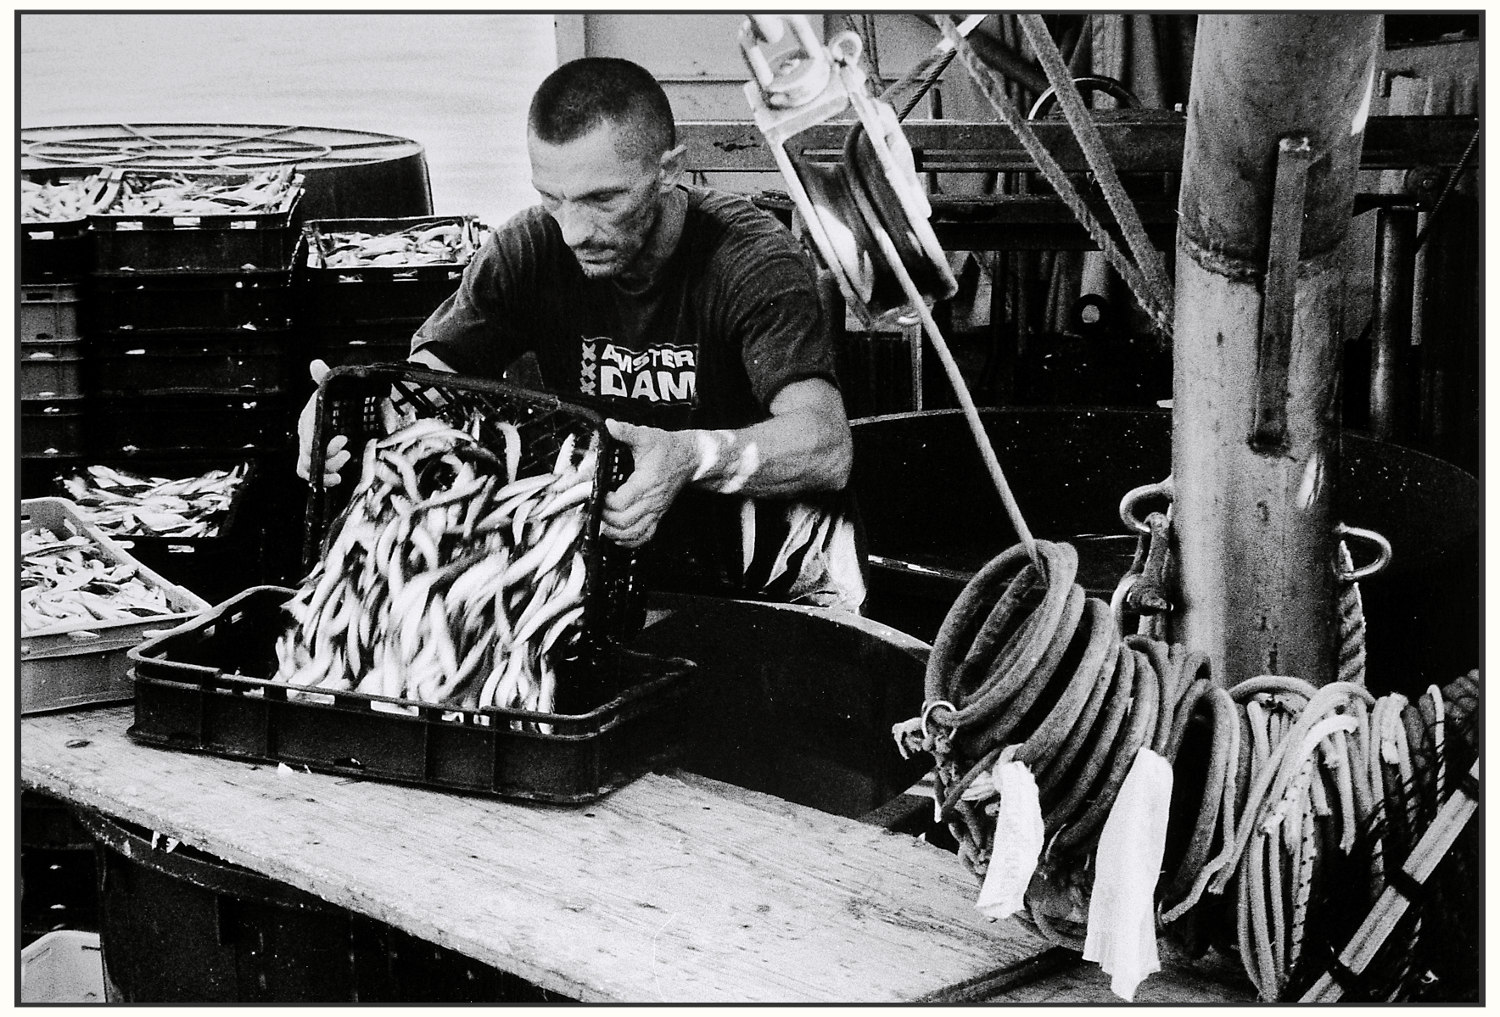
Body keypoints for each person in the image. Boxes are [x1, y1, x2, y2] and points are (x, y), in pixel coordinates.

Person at [297, 56, 865, 612]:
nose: (572, 231)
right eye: (552, 197)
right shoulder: (527, 249)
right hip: (611, 549)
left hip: (769, 565)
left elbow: (826, 445)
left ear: (669, 170)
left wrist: (690, 456)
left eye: (602, 200)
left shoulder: (752, 261)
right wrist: (344, 414)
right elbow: (431, 381)